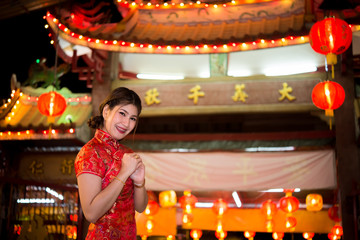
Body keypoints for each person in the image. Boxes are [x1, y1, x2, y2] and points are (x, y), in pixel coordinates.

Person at [74, 87, 148, 239]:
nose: (126, 123)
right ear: (106, 111)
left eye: (133, 118)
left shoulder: (127, 153)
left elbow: (140, 207)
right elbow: (91, 214)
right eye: (122, 113)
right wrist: (124, 173)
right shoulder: (90, 152)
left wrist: (140, 182)